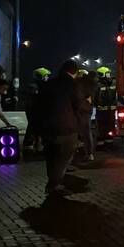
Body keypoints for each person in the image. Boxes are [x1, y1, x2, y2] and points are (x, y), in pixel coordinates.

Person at [37, 60, 85, 196]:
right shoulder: (73, 85)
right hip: (66, 128)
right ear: (74, 72)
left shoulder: (48, 85)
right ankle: (53, 185)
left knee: (51, 156)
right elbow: (79, 105)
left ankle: (53, 182)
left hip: (48, 128)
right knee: (63, 157)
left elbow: (38, 107)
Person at [23, 68, 51, 153]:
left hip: (35, 109)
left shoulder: (38, 85)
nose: (47, 78)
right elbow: (34, 99)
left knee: (35, 127)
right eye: (46, 76)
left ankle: (35, 145)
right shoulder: (34, 86)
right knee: (33, 126)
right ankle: (29, 144)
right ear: (41, 76)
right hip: (33, 110)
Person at [74, 70, 97, 163]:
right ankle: (89, 153)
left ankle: (79, 151)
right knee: (87, 132)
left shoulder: (77, 84)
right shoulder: (91, 84)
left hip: (79, 111)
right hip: (87, 111)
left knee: (77, 132)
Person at [94, 66, 117, 143]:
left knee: (101, 127)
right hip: (112, 109)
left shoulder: (97, 84)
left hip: (101, 110)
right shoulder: (114, 82)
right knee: (110, 126)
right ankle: (110, 141)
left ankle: (101, 143)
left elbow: (95, 97)